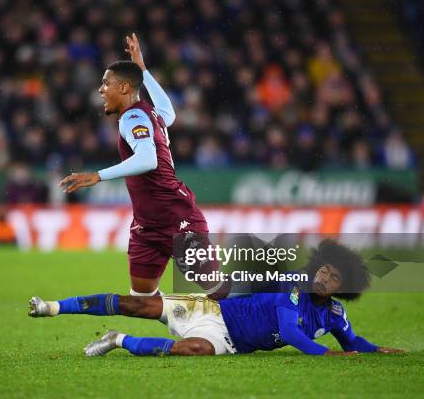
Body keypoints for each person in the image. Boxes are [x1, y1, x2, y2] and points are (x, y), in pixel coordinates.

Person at [28, 240, 403, 357]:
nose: (323, 277)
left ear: (342, 288)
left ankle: (117, 341)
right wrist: (331, 355)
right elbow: (290, 333)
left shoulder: (333, 312)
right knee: (137, 304)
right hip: (212, 309)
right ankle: (54, 307)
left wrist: (376, 350)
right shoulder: (293, 286)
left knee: (193, 350)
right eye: (323, 270)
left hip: (226, 339)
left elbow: (352, 341)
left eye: (333, 277)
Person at [58, 34, 210, 297]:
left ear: (125, 88)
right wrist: (142, 68)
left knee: (218, 291)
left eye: (106, 83)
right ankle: (181, 325)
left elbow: (147, 159)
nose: (101, 89)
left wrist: (97, 176)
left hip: (175, 215)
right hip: (147, 223)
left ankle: (283, 303)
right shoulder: (150, 112)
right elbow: (169, 113)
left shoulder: (133, 117)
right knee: (142, 298)